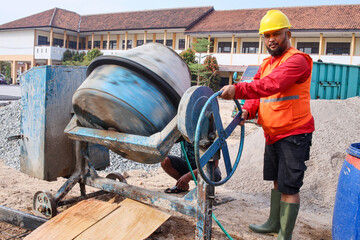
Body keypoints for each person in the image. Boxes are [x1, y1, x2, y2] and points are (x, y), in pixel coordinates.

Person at [220, 10, 314, 240]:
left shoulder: (297, 61)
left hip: (294, 133)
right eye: (266, 35)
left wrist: (237, 89)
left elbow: (272, 85)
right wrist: (247, 110)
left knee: (289, 187)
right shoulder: (265, 64)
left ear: (288, 33)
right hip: (272, 133)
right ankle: (274, 223)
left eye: (275, 33)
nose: (270, 39)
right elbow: (258, 92)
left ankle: (285, 234)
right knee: (276, 181)